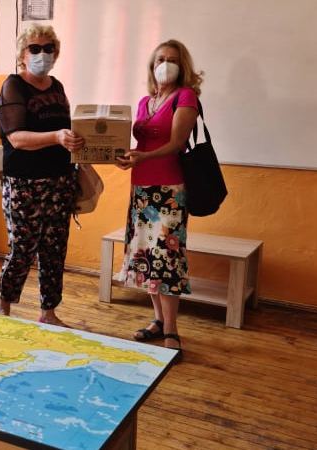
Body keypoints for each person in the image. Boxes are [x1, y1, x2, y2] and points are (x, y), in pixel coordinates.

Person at [115, 39, 202, 354]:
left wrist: (143, 157)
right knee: (145, 258)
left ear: (182, 65)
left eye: (172, 59)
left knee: (167, 259)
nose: (165, 64)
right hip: (141, 188)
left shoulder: (185, 96)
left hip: (169, 191)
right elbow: (141, 145)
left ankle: (172, 330)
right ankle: (158, 320)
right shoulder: (144, 101)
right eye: (160, 59)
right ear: (152, 66)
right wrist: (124, 156)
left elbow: (177, 143)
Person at [0, 24, 84, 326]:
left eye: (48, 48)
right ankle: (4, 308)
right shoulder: (13, 86)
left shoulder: (57, 86)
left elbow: (69, 130)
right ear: (22, 53)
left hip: (60, 180)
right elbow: (16, 138)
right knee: (22, 249)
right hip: (24, 183)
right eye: (34, 48)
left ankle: (49, 313)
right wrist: (56, 136)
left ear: (56, 53)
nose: (42, 54)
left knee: (54, 250)